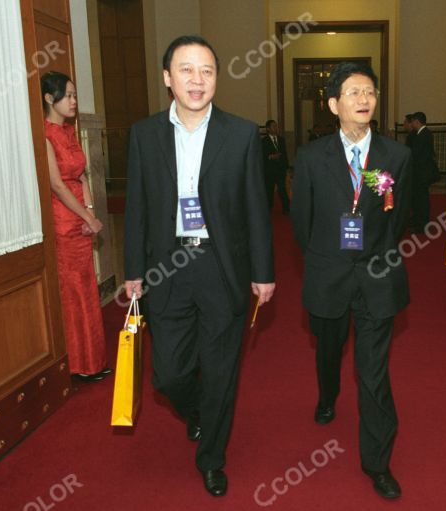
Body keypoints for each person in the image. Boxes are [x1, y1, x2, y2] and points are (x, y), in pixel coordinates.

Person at [123, 35, 275, 497]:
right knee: (168, 374)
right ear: (168, 78)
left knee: (222, 370)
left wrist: (263, 271)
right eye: (186, 70)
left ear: (217, 79)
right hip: (165, 268)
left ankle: (211, 455)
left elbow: (256, 207)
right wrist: (133, 270)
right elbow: (137, 209)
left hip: (220, 265)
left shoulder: (242, 133)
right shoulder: (144, 134)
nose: (197, 79)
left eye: (207, 70)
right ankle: (197, 411)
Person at [291, 61, 411, 499]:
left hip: (377, 276)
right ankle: (327, 395)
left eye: (370, 93)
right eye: (354, 93)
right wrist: (327, 261)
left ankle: (378, 462)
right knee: (328, 347)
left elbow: (401, 218)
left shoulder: (396, 156)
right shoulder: (310, 157)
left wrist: (372, 255)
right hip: (328, 276)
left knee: (373, 371)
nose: (364, 100)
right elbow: (300, 224)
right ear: (333, 104)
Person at [41, 71, 109, 382]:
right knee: (72, 293)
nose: (73, 100)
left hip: (81, 216)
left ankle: (92, 360)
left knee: (86, 287)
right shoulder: (45, 134)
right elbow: (56, 184)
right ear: (49, 99)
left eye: (74, 95)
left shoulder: (68, 132)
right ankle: (77, 364)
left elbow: (81, 175)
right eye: (68, 95)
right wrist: (86, 217)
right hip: (64, 221)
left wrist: (92, 212)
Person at [408, 111, 439, 232]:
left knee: (422, 200)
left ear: (416, 122)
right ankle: (417, 220)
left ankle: (422, 224)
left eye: (413, 122)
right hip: (420, 173)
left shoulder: (424, 134)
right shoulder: (422, 134)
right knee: (418, 198)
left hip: (422, 173)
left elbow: (419, 155)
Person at [261, 119, 290, 213]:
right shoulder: (264, 141)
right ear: (268, 129)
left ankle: (286, 209)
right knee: (269, 191)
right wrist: (270, 157)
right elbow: (261, 156)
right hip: (269, 171)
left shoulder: (281, 140)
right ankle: (268, 209)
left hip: (280, 170)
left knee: (282, 190)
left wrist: (287, 168)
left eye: (276, 126)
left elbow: (285, 154)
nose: (276, 128)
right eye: (273, 126)